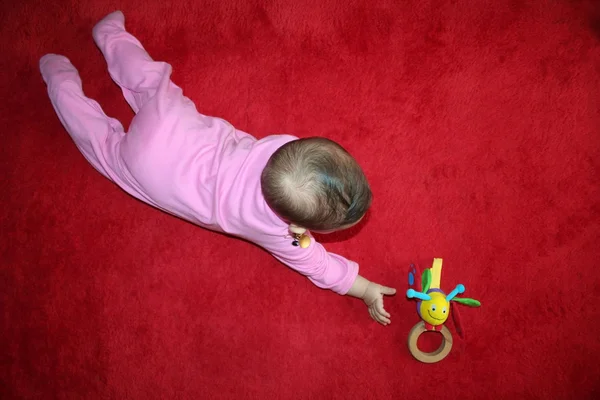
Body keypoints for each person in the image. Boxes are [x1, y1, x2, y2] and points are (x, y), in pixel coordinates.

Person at [39, 11, 397, 325]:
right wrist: (364, 289)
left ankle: (110, 35)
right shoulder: (283, 234)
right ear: (299, 227)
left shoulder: (283, 146)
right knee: (102, 145)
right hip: (153, 171)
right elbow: (319, 265)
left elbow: (312, 161)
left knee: (151, 81)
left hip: (173, 123)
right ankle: (58, 78)